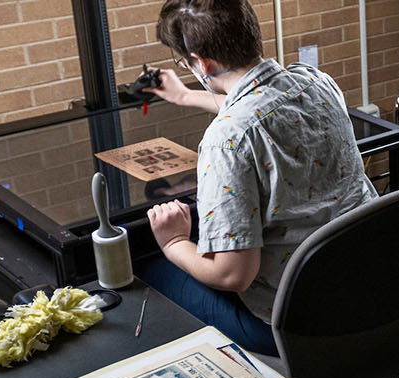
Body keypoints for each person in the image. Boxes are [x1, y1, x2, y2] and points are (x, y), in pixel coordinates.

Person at [136, 0, 378, 355]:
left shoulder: (225, 141)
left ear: (201, 63)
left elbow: (233, 276)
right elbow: (263, 102)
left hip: (295, 322)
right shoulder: (316, 81)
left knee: (147, 262)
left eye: (185, 63)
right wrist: (187, 96)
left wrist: (173, 242)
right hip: (368, 288)